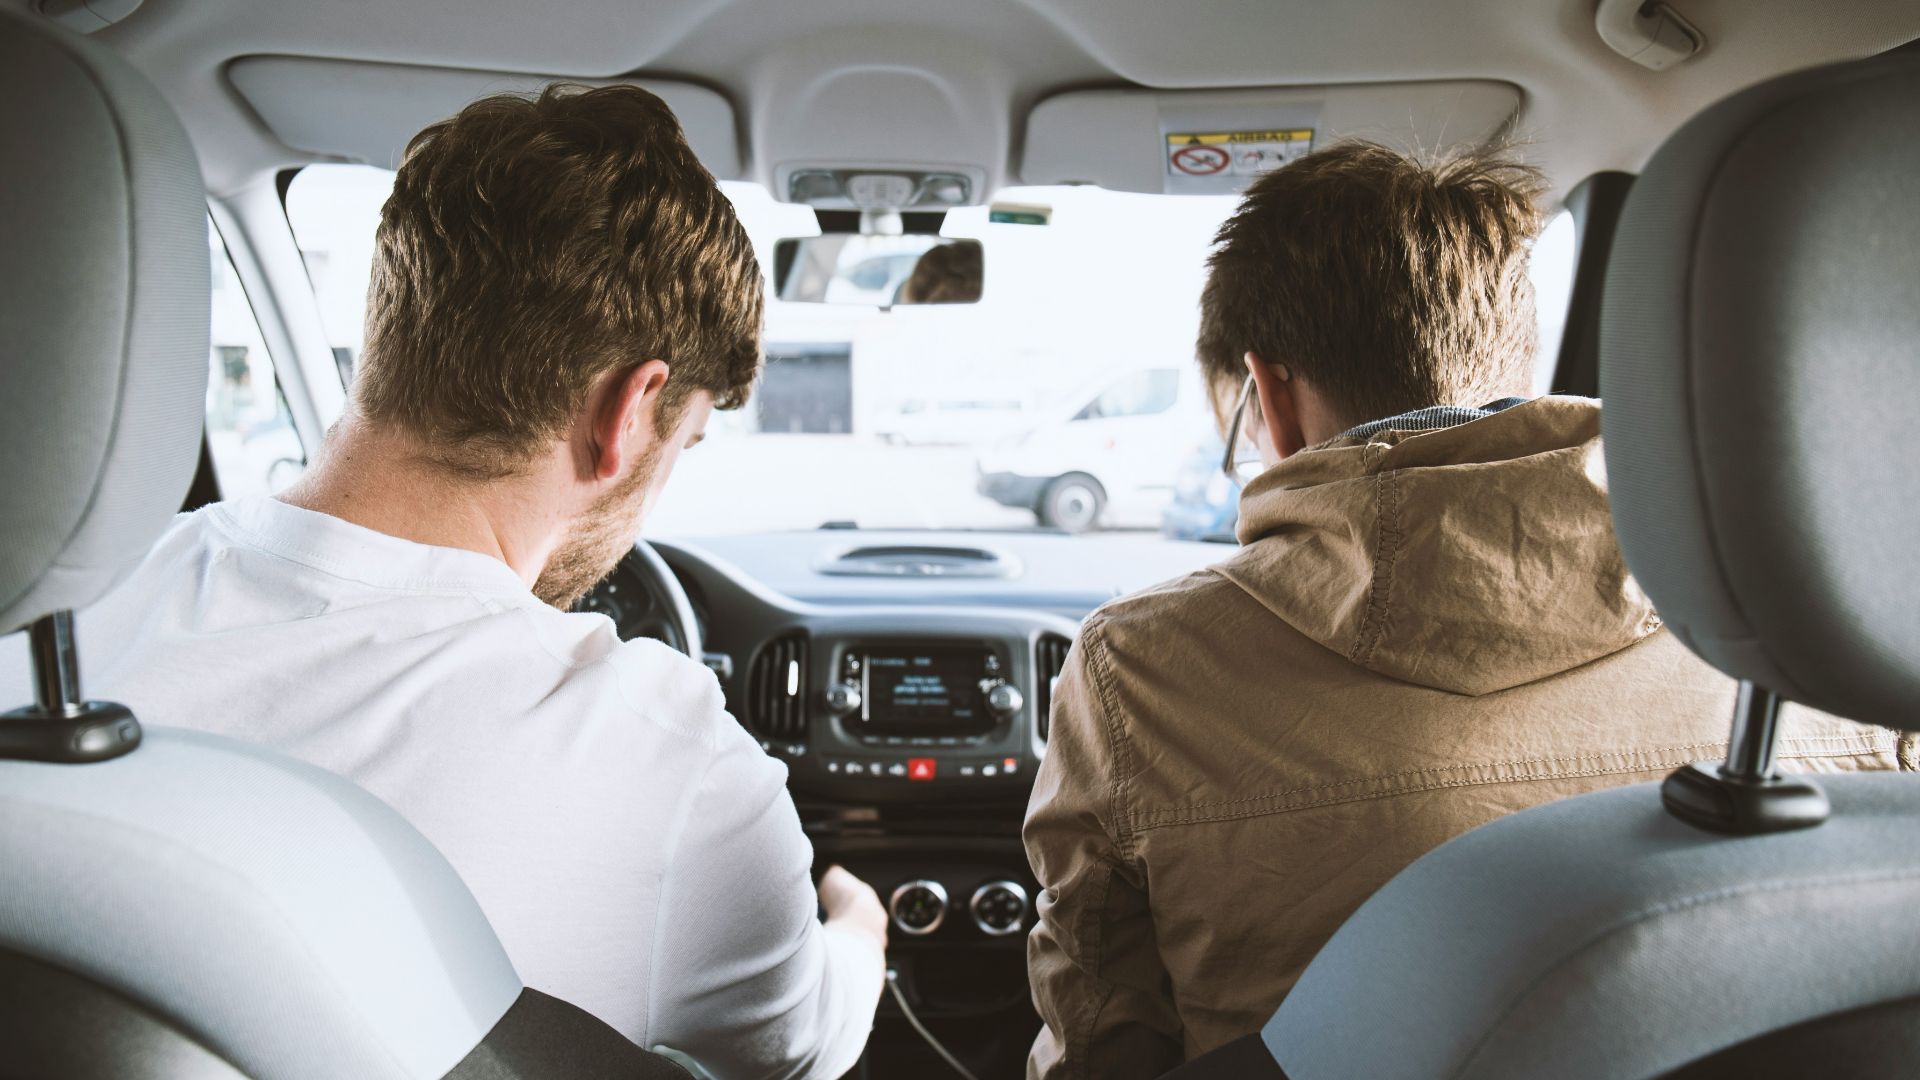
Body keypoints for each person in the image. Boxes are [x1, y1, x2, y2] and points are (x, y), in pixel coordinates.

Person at [1, 85, 887, 1079]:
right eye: (685, 440)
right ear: (629, 413)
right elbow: (798, 1049)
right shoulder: (674, 762)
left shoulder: (45, 631)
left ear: (392, 330)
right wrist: (857, 930)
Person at [1021, 141, 1910, 1079]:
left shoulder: (1142, 665)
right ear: (1514, 361)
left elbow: (1100, 1035)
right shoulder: (1826, 634)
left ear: (1270, 397)